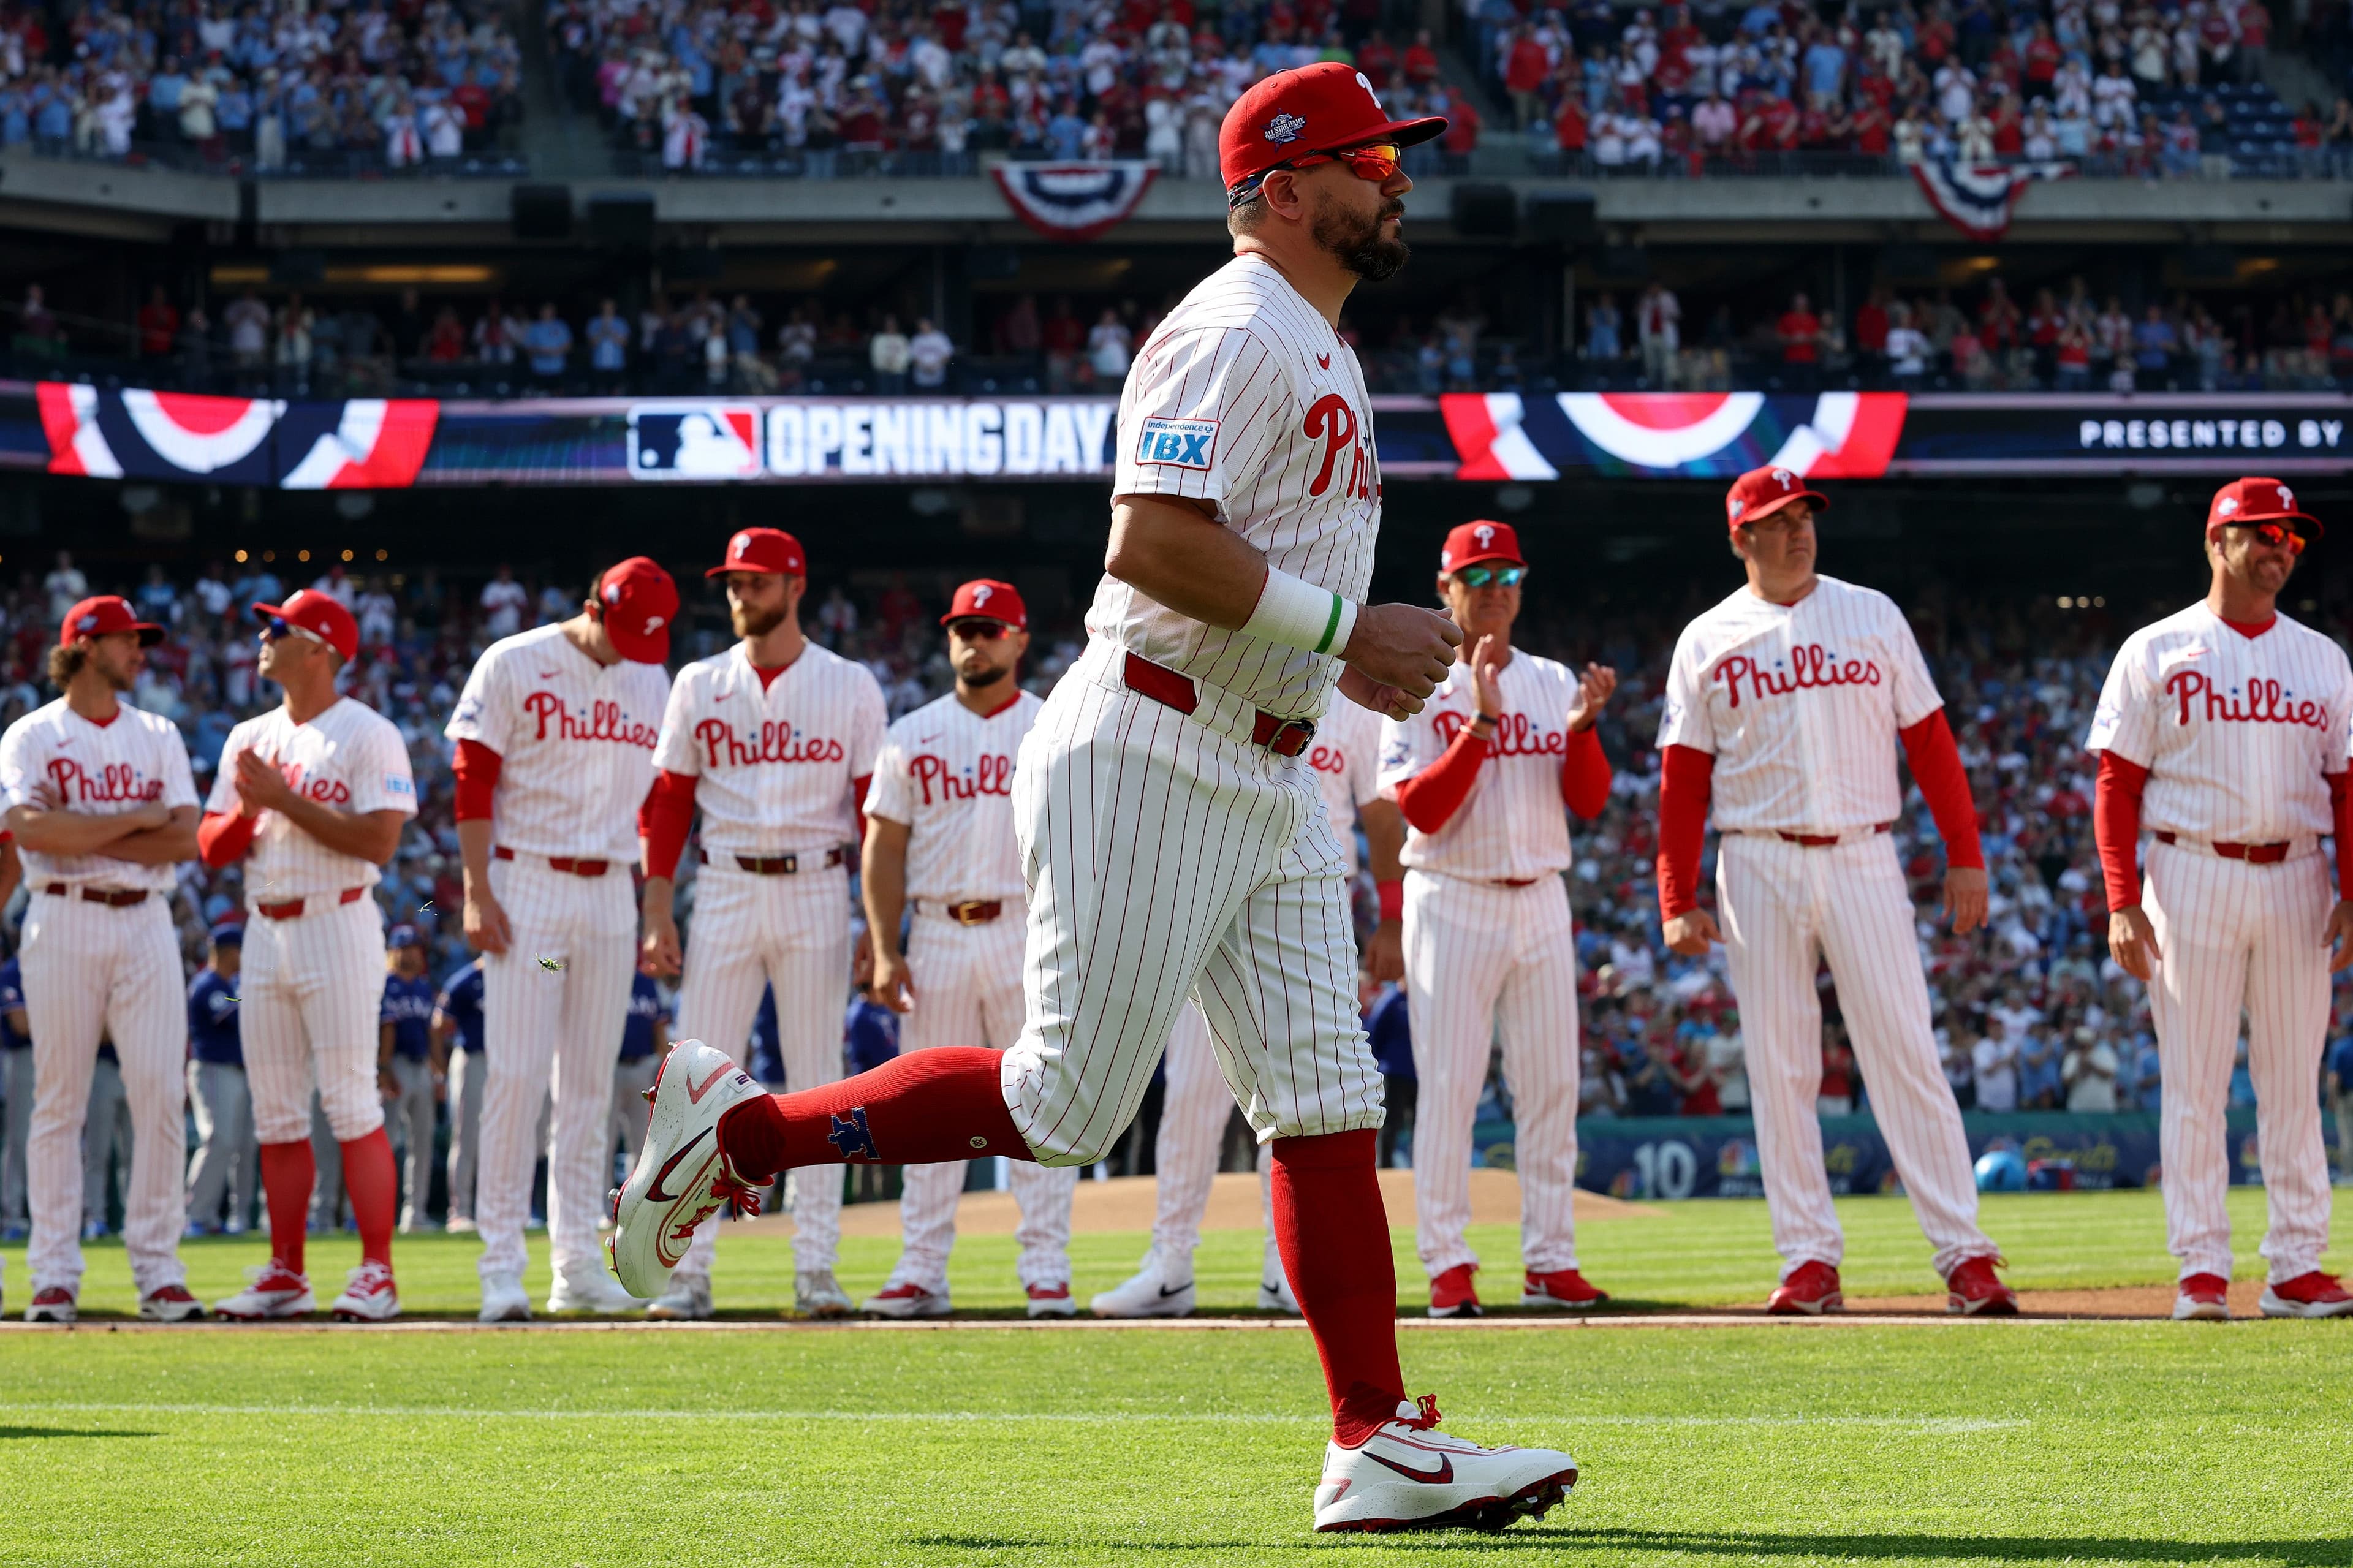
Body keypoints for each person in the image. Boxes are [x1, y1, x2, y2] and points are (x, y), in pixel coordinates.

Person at [614, 63, 1580, 1534]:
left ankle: (1372, 1435)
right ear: (1278, 185)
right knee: (1062, 1103)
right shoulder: (1239, 320)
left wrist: (1329, 660)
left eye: (1393, 154)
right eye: (1366, 157)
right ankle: (741, 1136)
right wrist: (1343, 632)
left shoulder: (1312, 335)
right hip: (1153, 736)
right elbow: (1147, 542)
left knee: (1327, 1099)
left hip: (1257, 761)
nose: (1395, 177)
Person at [1657, 467, 2016, 1317]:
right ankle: (1809, 1254)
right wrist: (1676, 891)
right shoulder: (1707, 637)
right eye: (1778, 522)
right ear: (1741, 536)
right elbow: (1681, 779)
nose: (1798, 532)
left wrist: (1965, 851)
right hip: (1755, 858)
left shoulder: (1873, 612)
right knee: (1781, 1065)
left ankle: (1966, 1251)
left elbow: (1931, 742)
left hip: (1863, 850)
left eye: (1805, 516)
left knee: (1906, 1049)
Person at [2086, 477, 2353, 1321]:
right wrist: (2122, 899)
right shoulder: (2156, 648)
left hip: (2299, 876)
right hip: (2189, 869)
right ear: (2219, 541)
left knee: (2291, 1082)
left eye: (2292, 538)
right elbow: (2116, 782)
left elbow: (2346, 783)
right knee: (2195, 1082)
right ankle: (2201, 1266)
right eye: (2264, 533)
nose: (2281, 548)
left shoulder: (2323, 656)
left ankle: (2296, 1265)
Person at [1091, 619, 1406, 1320]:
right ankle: (1171, 1263)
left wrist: (1391, 917)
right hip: (1204, 896)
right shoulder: (1212, 670)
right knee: (1192, 1104)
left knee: (1306, 1103)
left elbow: (1382, 819)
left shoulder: (1346, 699)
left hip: (1308, 910)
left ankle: (1285, 1269)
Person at [635, 528, 886, 1320]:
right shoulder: (698, 681)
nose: (741, 594)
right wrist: (656, 906)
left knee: (820, 1081)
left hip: (817, 882)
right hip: (724, 885)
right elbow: (669, 799)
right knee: (697, 1082)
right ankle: (689, 1268)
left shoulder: (850, 684)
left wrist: (877, 925)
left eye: (756, 581)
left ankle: (816, 1265)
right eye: (733, 582)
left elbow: (871, 809)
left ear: (794, 584)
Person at [1376, 520, 1616, 1316]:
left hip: (1541, 895)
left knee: (1551, 1087)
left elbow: (1587, 800)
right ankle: (1448, 1262)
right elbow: (1422, 810)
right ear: (1445, 589)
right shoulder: (1414, 680)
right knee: (1449, 1087)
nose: (1494, 592)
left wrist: (1583, 732)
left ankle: (1550, 1257)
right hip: (1452, 895)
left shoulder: (1550, 680)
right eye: (1477, 579)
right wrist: (1480, 723)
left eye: (1506, 575)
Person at [447, 558, 678, 1320]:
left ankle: (577, 1262)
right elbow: (472, 775)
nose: (636, 647)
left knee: (586, 1087)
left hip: (609, 894)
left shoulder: (650, 676)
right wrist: (477, 890)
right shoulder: (514, 661)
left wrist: (651, 908)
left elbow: (655, 807)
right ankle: (499, 1268)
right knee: (515, 1077)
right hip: (531, 888)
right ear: (592, 607)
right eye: (625, 631)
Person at [858, 580, 1080, 1319]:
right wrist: (887, 949)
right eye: (961, 628)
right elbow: (884, 848)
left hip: (1028, 928)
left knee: (1042, 1103)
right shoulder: (910, 732)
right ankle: (921, 1267)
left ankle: (1046, 1266)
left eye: (988, 629)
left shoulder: (1055, 727)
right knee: (927, 1105)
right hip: (939, 930)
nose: (972, 641)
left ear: (1018, 640)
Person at [200, 591, 417, 1324]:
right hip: (265, 930)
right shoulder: (248, 735)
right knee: (277, 1113)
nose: (264, 636)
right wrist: (253, 807)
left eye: (279, 628)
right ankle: (286, 1273)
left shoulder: (368, 732)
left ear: (319, 647)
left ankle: (376, 1273)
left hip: (340, 920)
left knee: (352, 1099)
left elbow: (379, 843)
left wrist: (284, 802)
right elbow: (210, 848)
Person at [1, 596, 202, 1324]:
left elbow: (186, 839)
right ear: (86, 645)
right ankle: (53, 1273)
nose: (140, 651)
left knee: (160, 1095)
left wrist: (78, 832)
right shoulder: (31, 734)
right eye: (127, 640)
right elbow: (27, 827)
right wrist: (137, 818)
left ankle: (159, 1270)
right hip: (59, 914)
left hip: (147, 919)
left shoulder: (158, 732)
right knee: (59, 1102)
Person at [184, 921, 254, 1235]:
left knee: (238, 1145)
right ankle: (194, 1214)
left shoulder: (229, 986)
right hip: (213, 1069)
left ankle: (214, 1215)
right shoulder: (209, 984)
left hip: (235, 1072)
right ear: (230, 952)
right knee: (218, 1140)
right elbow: (237, 1017)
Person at [379, 925, 438, 1232]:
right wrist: (384, 1068)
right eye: (409, 947)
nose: (416, 953)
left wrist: (437, 1071)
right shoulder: (384, 984)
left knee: (422, 1143)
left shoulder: (423, 986)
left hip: (420, 1067)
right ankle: (375, 1212)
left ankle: (414, 1214)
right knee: (385, 1144)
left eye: (418, 947)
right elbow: (384, 1030)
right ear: (395, 951)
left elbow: (431, 1033)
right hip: (394, 1067)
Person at [432, 955, 487, 1232]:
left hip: (501, 1063)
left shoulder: (511, 978)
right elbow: (439, 1025)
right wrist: (441, 1069)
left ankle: (492, 1209)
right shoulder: (466, 980)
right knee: (465, 1137)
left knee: (500, 1140)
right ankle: (460, 1210)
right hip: (472, 1059)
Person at [609, 971, 668, 1196]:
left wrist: (666, 1070)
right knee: (605, 1142)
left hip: (642, 1067)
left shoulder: (647, 983)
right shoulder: (606, 980)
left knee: (644, 1142)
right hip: (612, 1067)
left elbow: (659, 1029)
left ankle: (640, 1202)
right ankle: (601, 1209)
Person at [0, 944, 29, 1241]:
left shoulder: (53, 968)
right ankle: (12, 1216)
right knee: (18, 1139)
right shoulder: (13, 971)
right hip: (21, 1059)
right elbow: (20, 1025)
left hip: (51, 1055)